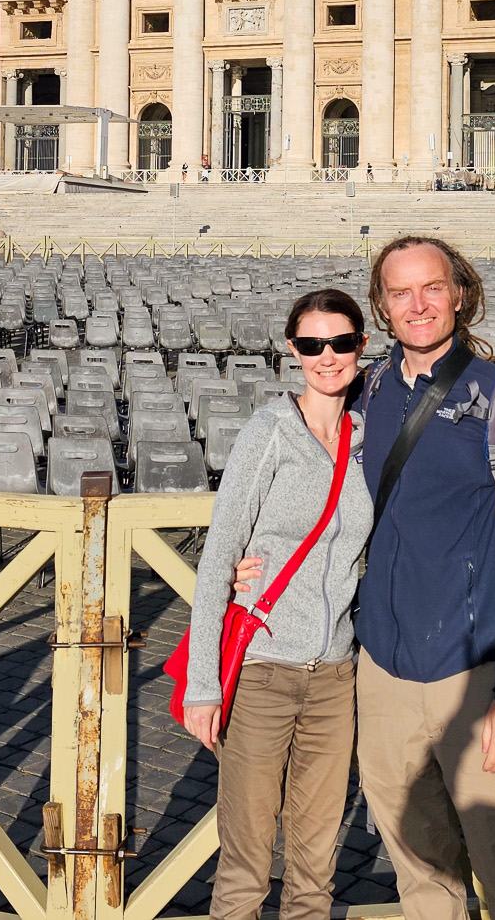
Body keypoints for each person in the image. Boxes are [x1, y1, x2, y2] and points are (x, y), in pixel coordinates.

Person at [236, 237, 495, 920]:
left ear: (460, 293)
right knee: (420, 875)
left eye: (432, 288)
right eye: (400, 292)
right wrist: (256, 550)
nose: (418, 305)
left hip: (475, 672)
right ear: (380, 306)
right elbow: (317, 482)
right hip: (381, 666)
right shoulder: (370, 390)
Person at [183, 289, 373, 920]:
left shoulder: (369, 439)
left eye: (341, 342)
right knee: (245, 864)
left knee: (315, 869)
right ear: (293, 350)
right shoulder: (268, 431)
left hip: (335, 677)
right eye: (313, 344)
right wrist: (203, 687)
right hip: (263, 672)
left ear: (360, 347)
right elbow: (218, 559)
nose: (328, 356)